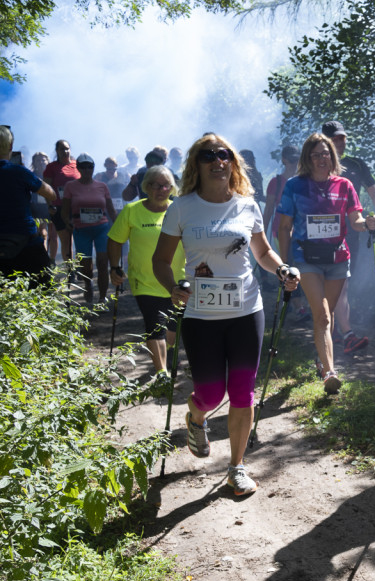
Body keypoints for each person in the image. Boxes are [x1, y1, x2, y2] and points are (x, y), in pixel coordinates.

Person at [152, 133, 299, 496]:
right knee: (210, 391)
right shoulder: (182, 207)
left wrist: (282, 269)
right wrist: (174, 287)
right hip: (201, 316)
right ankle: (196, 416)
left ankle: (237, 467)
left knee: (243, 392)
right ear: (196, 165)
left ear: (232, 162)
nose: (217, 160)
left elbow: (263, 253)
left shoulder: (247, 205)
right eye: (208, 155)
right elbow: (160, 260)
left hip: (247, 310)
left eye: (224, 154)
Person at [276, 133, 375, 393]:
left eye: (326, 154)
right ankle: (330, 372)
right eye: (316, 154)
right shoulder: (294, 185)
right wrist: (284, 265)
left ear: (333, 157)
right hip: (306, 258)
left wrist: (366, 223)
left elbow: (354, 221)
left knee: (327, 316)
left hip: (337, 258)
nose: (322, 159)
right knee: (321, 315)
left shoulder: (344, 185)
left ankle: (322, 361)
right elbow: (284, 226)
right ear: (307, 159)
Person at [108, 165, 185, 377]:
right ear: (146, 187)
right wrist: (114, 267)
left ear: (172, 188)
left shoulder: (179, 211)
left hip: (177, 281)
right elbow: (115, 240)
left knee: (172, 327)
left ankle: (167, 352)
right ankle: (161, 373)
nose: (161, 190)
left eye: (166, 185)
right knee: (154, 325)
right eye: (155, 185)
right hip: (144, 281)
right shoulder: (132, 211)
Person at [321, 121, 375, 336]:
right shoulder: (316, 164)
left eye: (341, 137)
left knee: (343, 283)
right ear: (324, 140)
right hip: (321, 233)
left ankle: (335, 332)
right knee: (333, 283)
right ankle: (343, 332)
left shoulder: (356, 165)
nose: (339, 142)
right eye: (334, 138)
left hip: (353, 230)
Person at [0, 126, 56, 283]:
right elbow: (50, 193)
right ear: (11, 146)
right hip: (24, 239)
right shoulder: (19, 172)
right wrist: (27, 176)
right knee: (43, 289)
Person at [62, 153, 117, 304]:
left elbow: (111, 210)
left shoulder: (102, 186)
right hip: (81, 229)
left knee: (102, 261)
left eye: (90, 167)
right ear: (78, 168)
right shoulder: (71, 186)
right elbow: (64, 211)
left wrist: (119, 226)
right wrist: (68, 223)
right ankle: (88, 284)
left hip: (101, 228)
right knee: (85, 266)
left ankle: (102, 297)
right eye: (83, 167)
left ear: (93, 168)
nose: (87, 170)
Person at [42, 139, 80, 267]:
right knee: (66, 240)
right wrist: (49, 205)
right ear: (57, 151)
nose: (65, 151)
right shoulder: (51, 167)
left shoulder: (77, 165)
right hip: (59, 208)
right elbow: (46, 188)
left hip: (76, 208)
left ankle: (80, 268)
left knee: (79, 239)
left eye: (67, 148)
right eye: (62, 149)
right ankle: (70, 270)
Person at [263, 144, 300, 253]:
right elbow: (269, 209)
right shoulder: (276, 182)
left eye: (296, 159)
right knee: (289, 264)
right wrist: (263, 233)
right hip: (280, 231)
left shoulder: (305, 181)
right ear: (284, 160)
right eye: (291, 159)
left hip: (301, 232)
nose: (294, 163)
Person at [30, 152, 56, 261]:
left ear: (47, 161)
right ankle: (44, 259)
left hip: (52, 206)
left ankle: (52, 260)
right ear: (34, 163)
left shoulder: (52, 174)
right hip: (37, 207)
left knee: (53, 235)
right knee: (42, 233)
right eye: (38, 160)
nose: (41, 162)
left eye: (43, 160)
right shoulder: (31, 175)